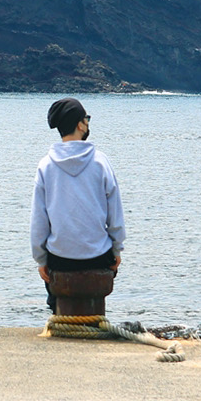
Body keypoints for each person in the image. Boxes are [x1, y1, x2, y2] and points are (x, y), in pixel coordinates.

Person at [30, 97, 125, 312]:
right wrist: (117, 249)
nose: (88, 123)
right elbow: (115, 215)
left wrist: (41, 259)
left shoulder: (45, 165)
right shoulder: (101, 162)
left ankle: (59, 315)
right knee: (105, 262)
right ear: (80, 124)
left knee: (55, 286)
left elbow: (39, 222)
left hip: (60, 258)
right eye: (87, 118)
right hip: (97, 256)